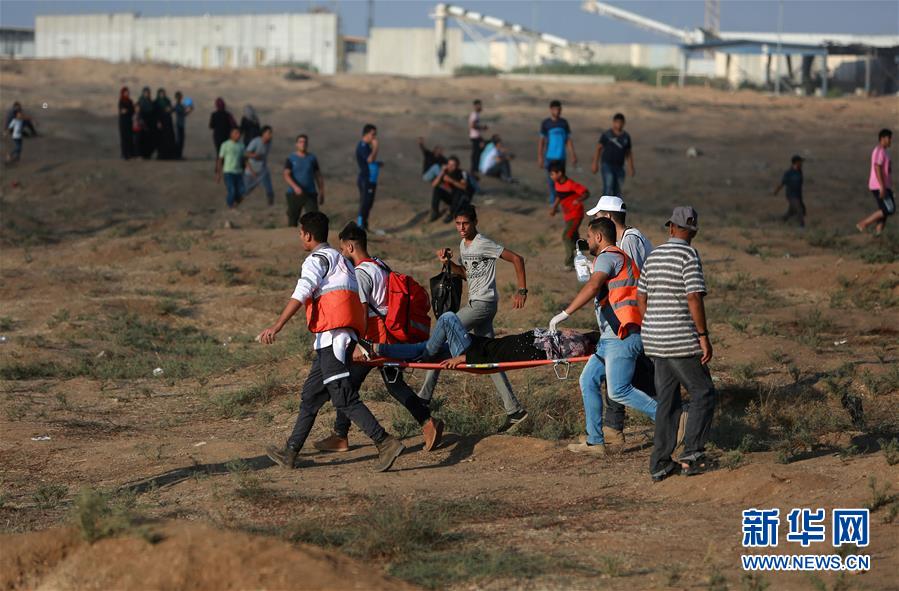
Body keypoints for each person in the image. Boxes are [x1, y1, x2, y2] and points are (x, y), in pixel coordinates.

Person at [259, 212, 405, 472]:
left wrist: (277, 325)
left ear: (307, 235)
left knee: (344, 398)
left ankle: (385, 442)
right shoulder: (342, 260)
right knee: (310, 396)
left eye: (300, 233)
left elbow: (302, 292)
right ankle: (291, 452)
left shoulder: (316, 260)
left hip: (333, 340)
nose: (300, 237)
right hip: (339, 338)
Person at [313, 223, 445, 454]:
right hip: (388, 337)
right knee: (385, 384)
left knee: (356, 385)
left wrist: (358, 343)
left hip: (373, 341)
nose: (342, 254)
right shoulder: (379, 264)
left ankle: (426, 422)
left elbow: (362, 311)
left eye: (342, 249)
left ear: (350, 247)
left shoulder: (361, 273)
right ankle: (341, 434)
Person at [549, 218, 657, 456]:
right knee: (588, 380)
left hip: (622, 335)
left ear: (598, 237)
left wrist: (564, 314)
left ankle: (670, 418)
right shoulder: (612, 258)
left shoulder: (609, 256)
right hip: (611, 338)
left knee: (618, 390)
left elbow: (593, 286)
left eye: (589, 237)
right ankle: (595, 441)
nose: (587, 241)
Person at [419, 205, 529, 432]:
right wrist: (447, 263)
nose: (461, 228)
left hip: (482, 305)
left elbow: (517, 259)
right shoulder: (464, 245)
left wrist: (522, 290)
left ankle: (423, 397)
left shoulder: (483, 243)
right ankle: (514, 410)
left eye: (465, 223)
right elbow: (466, 274)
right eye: (458, 224)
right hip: (477, 304)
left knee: (444, 332)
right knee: (489, 358)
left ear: (475, 222)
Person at [638, 206, 715, 481]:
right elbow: (694, 296)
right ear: (694, 231)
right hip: (680, 338)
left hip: (654, 338)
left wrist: (652, 324)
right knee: (703, 392)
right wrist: (703, 335)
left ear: (671, 227)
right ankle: (693, 456)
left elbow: (641, 297)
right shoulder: (689, 255)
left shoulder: (654, 255)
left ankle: (660, 464)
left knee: (667, 400)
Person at [586, 195, 654, 446]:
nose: (595, 220)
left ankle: (673, 414)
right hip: (627, 320)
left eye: (597, 216)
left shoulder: (629, 241)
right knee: (619, 376)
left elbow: (633, 280)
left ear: (607, 217)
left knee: (630, 378)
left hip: (633, 320)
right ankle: (611, 429)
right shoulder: (623, 241)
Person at [367, 311, 598, 368]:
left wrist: (465, 358)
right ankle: (377, 348)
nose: (568, 332)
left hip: (475, 351)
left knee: (447, 318)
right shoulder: (549, 341)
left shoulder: (537, 350)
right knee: (423, 347)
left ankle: (425, 355)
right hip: (477, 346)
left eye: (569, 336)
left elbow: (503, 357)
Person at [549, 162, 590, 269]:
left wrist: (578, 200)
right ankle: (595, 246)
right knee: (575, 239)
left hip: (576, 214)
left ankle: (569, 263)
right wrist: (554, 208)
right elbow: (559, 196)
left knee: (566, 236)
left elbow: (586, 193)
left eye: (552, 174)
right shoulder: (557, 184)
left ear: (560, 173)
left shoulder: (571, 184)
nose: (551, 176)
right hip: (568, 216)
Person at [538, 99, 577, 204]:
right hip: (550, 157)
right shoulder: (546, 123)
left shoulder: (564, 123)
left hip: (561, 157)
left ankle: (560, 202)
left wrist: (573, 155)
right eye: (555, 109)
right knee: (551, 181)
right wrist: (540, 157)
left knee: (561, 181)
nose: (558, 111)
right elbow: (541, 141)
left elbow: (568, 140)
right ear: (551, 110)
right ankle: (553, 202)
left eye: (559, 109)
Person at [856, 128, 894, 236]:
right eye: (889, 138)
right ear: (883, 138)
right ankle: (863, 223)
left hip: (885, 186)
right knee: (889, 209)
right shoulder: (879, 151)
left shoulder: (885, 152)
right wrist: (882, 186)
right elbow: (877, 167)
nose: (890, 140)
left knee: (884, 210)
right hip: (878, 186)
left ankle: (878, 234)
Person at [283, 134, 324, 227]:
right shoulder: (291, 158)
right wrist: (295, 187)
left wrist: (321, 192)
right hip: (294, 194)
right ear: (296, 144)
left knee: (314, 219)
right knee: (293, 219)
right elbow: (286, 174)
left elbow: (318, 176)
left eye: (305, 142)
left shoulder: (312, 158)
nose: (303, 144)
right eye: (300, 142)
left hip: (310, 193)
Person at [591, 113, 634, 197]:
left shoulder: (626, 137)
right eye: (617, 122)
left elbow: (628, 152)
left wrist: (631, 167)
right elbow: (598, 148)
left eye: (621, 122)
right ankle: (604, 205)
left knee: (617, 191)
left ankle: (615, 206)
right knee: (608, 187)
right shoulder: (607, 135)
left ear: (624, 123)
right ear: (613, 122)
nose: (619, 124)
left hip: (619, 167)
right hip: (607, 165)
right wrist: (595, 164)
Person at [355, 124, 380, 230]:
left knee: (369, 203)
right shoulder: (362, 146)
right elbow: (369, 159)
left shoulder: (367, 147)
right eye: (373, 134)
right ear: (366, 134)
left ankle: (364, 225)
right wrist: (376, 147)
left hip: (371, 180)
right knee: (364, 203)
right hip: (366, 179)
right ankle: (360, 226)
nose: (374, 137)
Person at [243, 125, 275, 205]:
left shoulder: (269, 143)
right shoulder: (255, 141)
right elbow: (245, 154)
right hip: (251, 170)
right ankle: (234, 204)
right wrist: (254, 155)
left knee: (269, 188)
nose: (270, 135)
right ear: (263, 133)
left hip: (262, 169)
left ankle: (270, 203)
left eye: (271, 133)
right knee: (245, 190)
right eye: (269, 133)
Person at [430, 156, 468, 223]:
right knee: (437, 189)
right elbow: (434, 184)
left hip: (460, 199)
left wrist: (451, 181)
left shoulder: (462, 173)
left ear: (457, 166)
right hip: (450, 197)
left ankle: (451, 213)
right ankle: (435, 212)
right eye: (449, 164)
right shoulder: (445, 172)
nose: (450, 167)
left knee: (459, 191)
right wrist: (442, 172)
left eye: (453, 165)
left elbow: (464, 187)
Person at [216, 127, 245, 208]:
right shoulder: (225, 145)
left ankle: (234, 204)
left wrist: (250, 170)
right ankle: (230, 206)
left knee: (242, 191)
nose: (238, 135)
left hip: (238, 172)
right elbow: (220, 159)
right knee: (232, 190)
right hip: (228, 172)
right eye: (236, 133)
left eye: (239, 133)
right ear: (231, 134)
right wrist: (218, 173)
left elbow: (244, 159)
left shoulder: (241, 145)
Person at [773, 155, 806, 227]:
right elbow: (782, 183)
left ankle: (781, 221)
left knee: (791, 212)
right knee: (799, 210)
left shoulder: (799, 172)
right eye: (800, 162)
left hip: (798, 195)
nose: (802, 164)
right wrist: (776, 191)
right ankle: (801, 228)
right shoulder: (789, 173)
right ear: (796, 162)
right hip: (791, 195)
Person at [155, 88, 177, 160]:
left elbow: (171, 109)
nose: (162, 95)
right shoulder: (156, 102)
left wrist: (170, 109)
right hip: (161, 121)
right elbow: (155, 113)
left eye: (163, 93)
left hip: (168, 122)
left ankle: (170, 154)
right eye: (161, 93)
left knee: (169, 138)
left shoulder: (167, 100)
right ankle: (161, 155)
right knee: (161, 138)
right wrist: (158, 121)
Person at [136, 87, 156, 159]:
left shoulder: (150, 101)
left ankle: (147, 154)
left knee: (149, 139)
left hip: (150, 123)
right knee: (141, 139)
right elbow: (138, 111)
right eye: (146, 93)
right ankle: (140, 154)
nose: (147, 94)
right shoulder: (141, 101)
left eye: (148, 93)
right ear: (143, 93)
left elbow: (153, 111)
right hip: (142, 122)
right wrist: (141, 120)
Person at [469, 99, 487, 176]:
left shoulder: (476, 114)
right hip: (475, 136)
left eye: (480, 105)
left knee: (478, 152)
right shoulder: (474, 114)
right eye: (479, 105)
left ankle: (476, 168)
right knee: (476, 153)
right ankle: (474, 169)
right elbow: (472, 125)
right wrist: (482, 127)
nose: (480, 107)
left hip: (476, 136)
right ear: (475, 106)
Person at [173, 91, 193, 159]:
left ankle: (179, 155)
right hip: (178, 125)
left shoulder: (181, 105)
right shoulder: (177, 106)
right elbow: (183, 113)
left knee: (181, 141)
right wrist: (189, 110)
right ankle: (177, 155)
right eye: (179, 97)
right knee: (179, 141)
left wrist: (190, 110)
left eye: (180, 97)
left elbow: (184, 113)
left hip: (181, 125)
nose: (180, 98)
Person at [117, 87, 135, 160]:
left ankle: (130, 154)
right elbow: (122, 111)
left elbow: (132, 110)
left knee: (130, 138)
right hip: (123, 122)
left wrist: (127, 111)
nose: (126, 93)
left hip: (129, 122)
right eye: (125, 92)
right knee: (124, 138)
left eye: (127, 92)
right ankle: (124, 154)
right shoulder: (121, 101)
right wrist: (127, 111)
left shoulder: (130, 101)